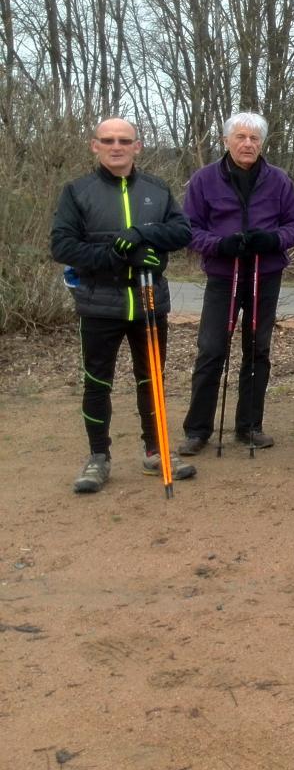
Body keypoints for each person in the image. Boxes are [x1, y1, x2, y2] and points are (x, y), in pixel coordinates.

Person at [51, 118, 194, 493]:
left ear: (137, 146)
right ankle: (98, 457)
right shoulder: (77, 191)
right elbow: (62, 246)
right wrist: (116, 255)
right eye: (108, 140)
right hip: (100, 304)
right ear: (94, 145)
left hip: (149, 301)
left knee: (152, 380)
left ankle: (155, 450)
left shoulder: (157, 189)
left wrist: (143, 237)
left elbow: (182, 232)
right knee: (98, 382)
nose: (117, 147)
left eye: (124, 140)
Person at [178, 112, 294, 454]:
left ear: (262, 143)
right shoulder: (205, 179)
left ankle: (250, 425)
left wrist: (273, 239)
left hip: (265, 275)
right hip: (223, 275)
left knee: (257, 350)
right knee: (211, 349)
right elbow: (187, 229)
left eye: (254, 139)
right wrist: (218, 244)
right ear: (226, 141)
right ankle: (198, 429)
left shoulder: (278, 180)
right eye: (241, 137)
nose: (247, 144)